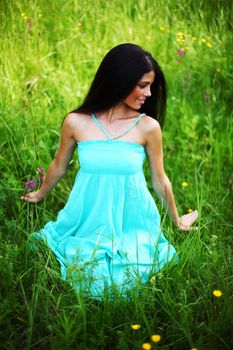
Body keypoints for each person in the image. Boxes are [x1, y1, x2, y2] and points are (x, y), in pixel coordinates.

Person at [21, 43, 198, 299]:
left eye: (151, 85)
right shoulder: (76, 122)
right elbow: (59, 165)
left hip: (133, 222)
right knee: (85, 260)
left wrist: (176, 219)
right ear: (118, 80)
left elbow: (159, 179)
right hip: (87, 217)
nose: (148, 93)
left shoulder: (147, 127)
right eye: (141, 85)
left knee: (127, 270)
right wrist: (40, 194)